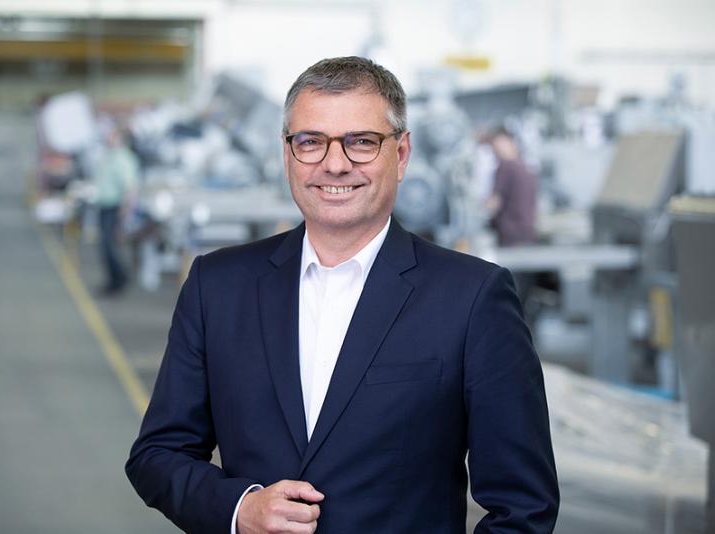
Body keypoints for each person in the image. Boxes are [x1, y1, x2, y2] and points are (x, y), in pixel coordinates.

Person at [126, 57, 559, 533]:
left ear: (401, 154)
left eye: (362, 142)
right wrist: (239, 509)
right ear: (287, 154)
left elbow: (523, 507)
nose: (335, 164)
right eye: (311, 142)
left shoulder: (472, 298)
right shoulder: (218, 285)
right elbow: (157, 454)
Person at [93, 122, 139, 295]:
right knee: (105, 246)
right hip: (104, 206)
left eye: (113, 134)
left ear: (120, 137)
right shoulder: (110, 156)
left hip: (115, 208)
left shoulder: (123, 159)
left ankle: (119, 280)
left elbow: (130, 189)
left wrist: (125, 212)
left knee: (109, 246)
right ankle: (114, 279)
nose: (108, 137)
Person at [483, 126, 539, 247]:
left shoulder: (505, 167)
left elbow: (494, 203)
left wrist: (477, 210)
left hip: (509, 233)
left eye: (496, 146)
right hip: (528, 231)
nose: (495, 151)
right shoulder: (525, 166)